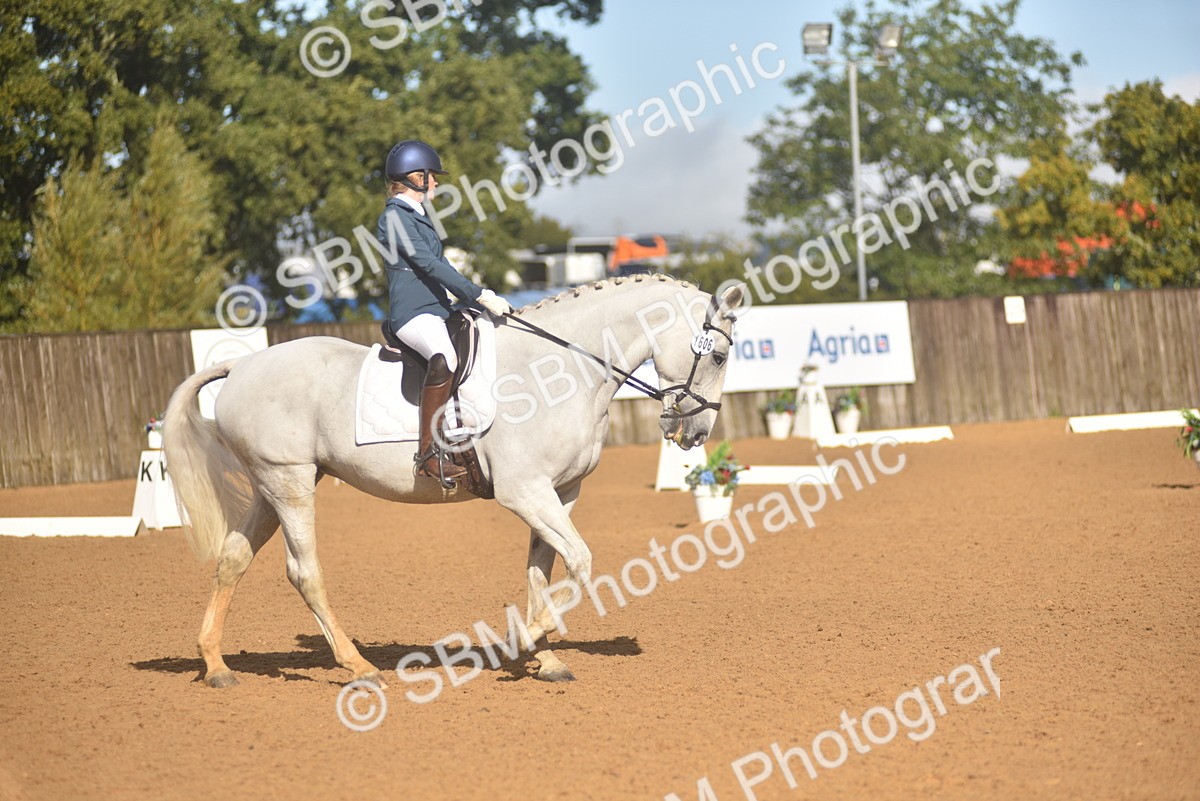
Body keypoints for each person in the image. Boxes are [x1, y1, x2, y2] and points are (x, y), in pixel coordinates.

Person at [378, 139, 512, 482]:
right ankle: (427, 455)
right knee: (445, 358)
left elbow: (440, 264)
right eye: (431, 176)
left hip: (437, 308)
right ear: (414, 177)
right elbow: (429, 266)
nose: (436, 182)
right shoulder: (395, 217)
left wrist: (470, 301)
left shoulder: (418, 217)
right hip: (413, 312)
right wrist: (478, 294)